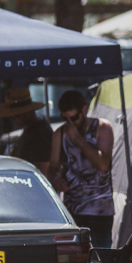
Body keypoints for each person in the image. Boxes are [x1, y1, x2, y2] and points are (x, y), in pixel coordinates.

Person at [49, 89, 114, 247]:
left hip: (100, 210)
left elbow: (102, 164)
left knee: (101, 258)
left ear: (84, 110)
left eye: (74, 117)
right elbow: (52, 167)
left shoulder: (102, 128)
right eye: (66, 118)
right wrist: (56, 179)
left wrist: (77, 139)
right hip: (74, 210)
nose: (71, 123)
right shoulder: (60, 134)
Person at [0, 87, 52, 175]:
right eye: (10, 116)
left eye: (14, 116)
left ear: (28, 113)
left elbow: (44, 171)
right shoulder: (32, 129)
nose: (11, 119)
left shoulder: (40, 135)